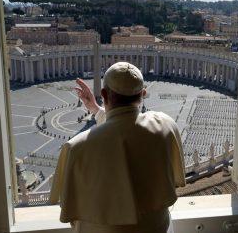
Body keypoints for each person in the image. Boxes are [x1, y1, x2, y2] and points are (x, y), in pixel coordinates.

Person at [50, 62, 186, 233]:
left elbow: (70, 208)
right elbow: (125, 124)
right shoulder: (166, 124)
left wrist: (97, 109)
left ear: (104, 94)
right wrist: (96, 110)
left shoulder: (76, 147)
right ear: (143, 94)